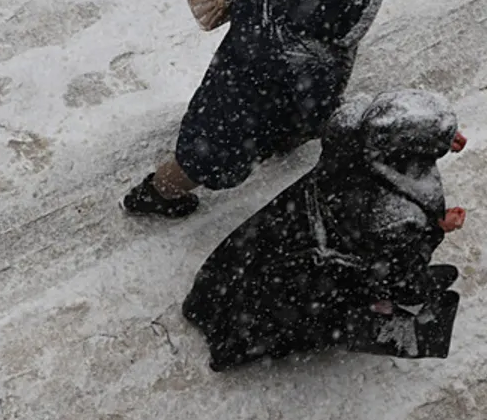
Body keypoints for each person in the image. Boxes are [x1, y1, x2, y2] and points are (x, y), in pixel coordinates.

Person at [180, 89, 468, 372]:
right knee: (293, 309)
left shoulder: (349, 126)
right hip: (325, 261)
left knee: (251, 266)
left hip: (294, 221)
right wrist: (437, 229)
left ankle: (206, 305)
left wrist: (435, 138)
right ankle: (233, 346)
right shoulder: (396, 214)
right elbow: (393, 273)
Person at [120, 0, 387, 218]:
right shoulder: (315, 57)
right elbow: (316, 109)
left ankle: (161, 190)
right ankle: (156, 195)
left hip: (228, 82)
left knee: (205, 143)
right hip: (254, 117)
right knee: (205, 158)